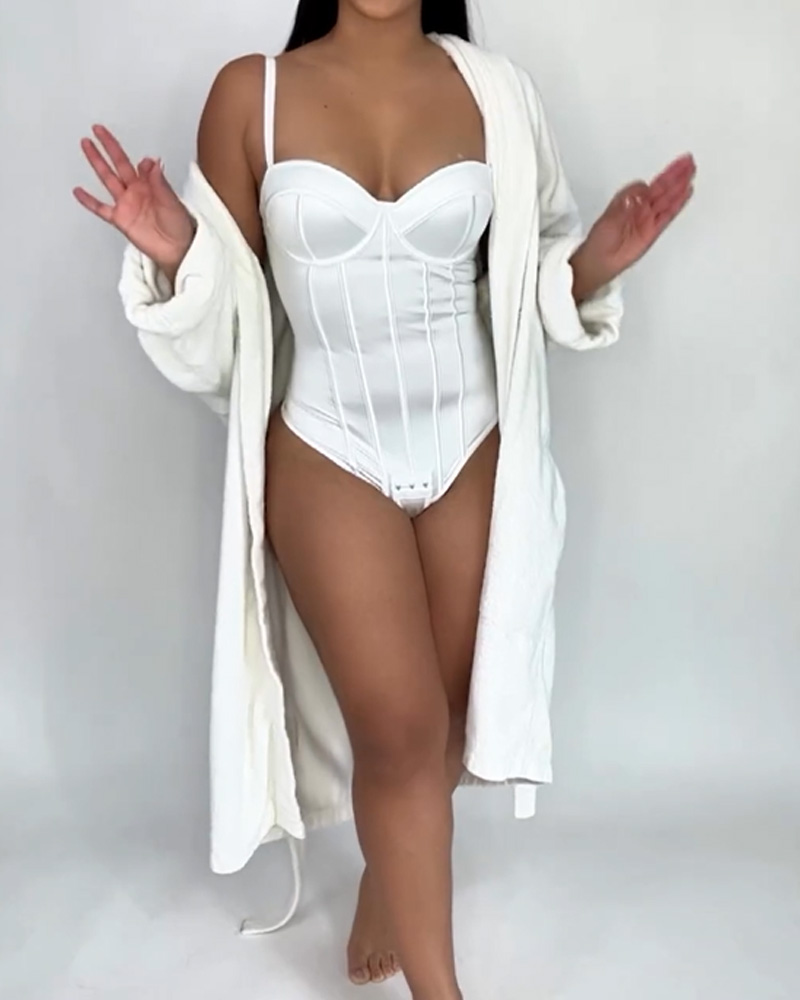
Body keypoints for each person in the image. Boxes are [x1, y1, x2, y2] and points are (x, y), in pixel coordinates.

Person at [73, 2, 696, 997]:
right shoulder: (252, 94)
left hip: (472, 439)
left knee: (441, 722)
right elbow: (233, 317)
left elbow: (530, 273)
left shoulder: (495, 93)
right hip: (327, 443)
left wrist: (599, 259)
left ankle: (387, 875)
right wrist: (176, 249)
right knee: (398, 730)